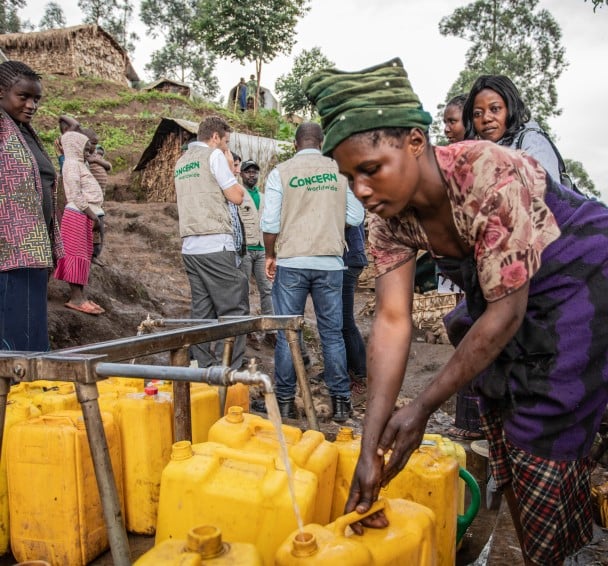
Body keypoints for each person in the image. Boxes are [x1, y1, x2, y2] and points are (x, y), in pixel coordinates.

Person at [303, 57, 608, 565]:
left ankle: (551, 548)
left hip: (579, 276)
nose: (360, 190)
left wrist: (421, 407)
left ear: (416, 143)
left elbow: (507, 316)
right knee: (494, 403)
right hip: (506, 292)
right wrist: (370, 445)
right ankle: (534, 533)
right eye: (349, 176)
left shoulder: (487, 173)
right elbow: (393, 321)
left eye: (371, 170)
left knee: (544, 423)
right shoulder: (390, 222)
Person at [261, 122, 365, 422]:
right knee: (332, 335)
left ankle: (283, 403)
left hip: (291, 262)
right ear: (321, 143)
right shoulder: (339, 171)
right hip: (330, 263)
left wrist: (270, 255)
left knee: (287, 334)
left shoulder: (281, 172)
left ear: (296, 144)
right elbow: (356, 215)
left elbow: (269, 223)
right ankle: (342, 404)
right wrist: (328, 222)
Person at [174, 115, 249, 370]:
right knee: (235, 310)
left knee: (202, 311)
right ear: (215, 137)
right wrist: (229, 166)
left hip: (190, 248)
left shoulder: (181, 162)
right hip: (215, 243)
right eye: (225, 141)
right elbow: (237, 196)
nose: (226, 147)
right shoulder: (214, 156)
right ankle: (231, 371)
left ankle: (203, 368)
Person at [0, 60, 64, 351]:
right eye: (23, 96)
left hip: (32, 251)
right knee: (19, 342)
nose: (31, 104)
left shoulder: (22, 131)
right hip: (12, 253)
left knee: (29, 333)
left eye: (36, 98)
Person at [441, 93, 484, 441]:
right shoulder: (454, 160)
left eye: (452, 121)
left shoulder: (482, 159)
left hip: (483, 266)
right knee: (464, 328)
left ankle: (475, 420)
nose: (447, 128)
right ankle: (471, 420)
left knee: (469, 329)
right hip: (466, 267)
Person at [462, 74, 561, 181]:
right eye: (477, 114)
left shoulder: (532, 141)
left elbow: (544, 191)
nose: (486, 118)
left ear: (510, 108)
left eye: (495, 109)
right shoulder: (478, 154)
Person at [53, 131, 105, 315]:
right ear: (74, 147)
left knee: (83, 256)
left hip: (83, 214)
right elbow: (75, 194)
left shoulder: (77, 164)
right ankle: (76, 299)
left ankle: (81, 297)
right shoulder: (71, 165)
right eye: (84, 148)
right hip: (78, 214)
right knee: (76, 255)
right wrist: (93, 216)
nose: (87, 152)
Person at [238, 159, 276, 346]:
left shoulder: (264, 196)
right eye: (248, 172)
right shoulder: (237, 195)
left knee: (267, 289)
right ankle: (246, 330)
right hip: (244, 250)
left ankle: (271, 330)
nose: (251, 175)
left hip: (263, 250)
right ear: (241, 174)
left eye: (254, 172)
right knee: (242, 289)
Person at [342, 222, 369, 406]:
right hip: (352, 257)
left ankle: (361, 376)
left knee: (344, 321)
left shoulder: (347, 197)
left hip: (348, 259)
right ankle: (346, 369)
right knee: (341, 320)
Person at [83, 128, 112, 265]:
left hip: (99, 196)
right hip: (89, 199)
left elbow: (108, 166)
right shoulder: (82, 158)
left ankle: (94, 253)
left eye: (95, 144)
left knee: (98, 225)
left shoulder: (94, 156)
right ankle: (91, 253)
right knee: (95, 225)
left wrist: (96, 160)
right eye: (92, 143)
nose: (93, 147)